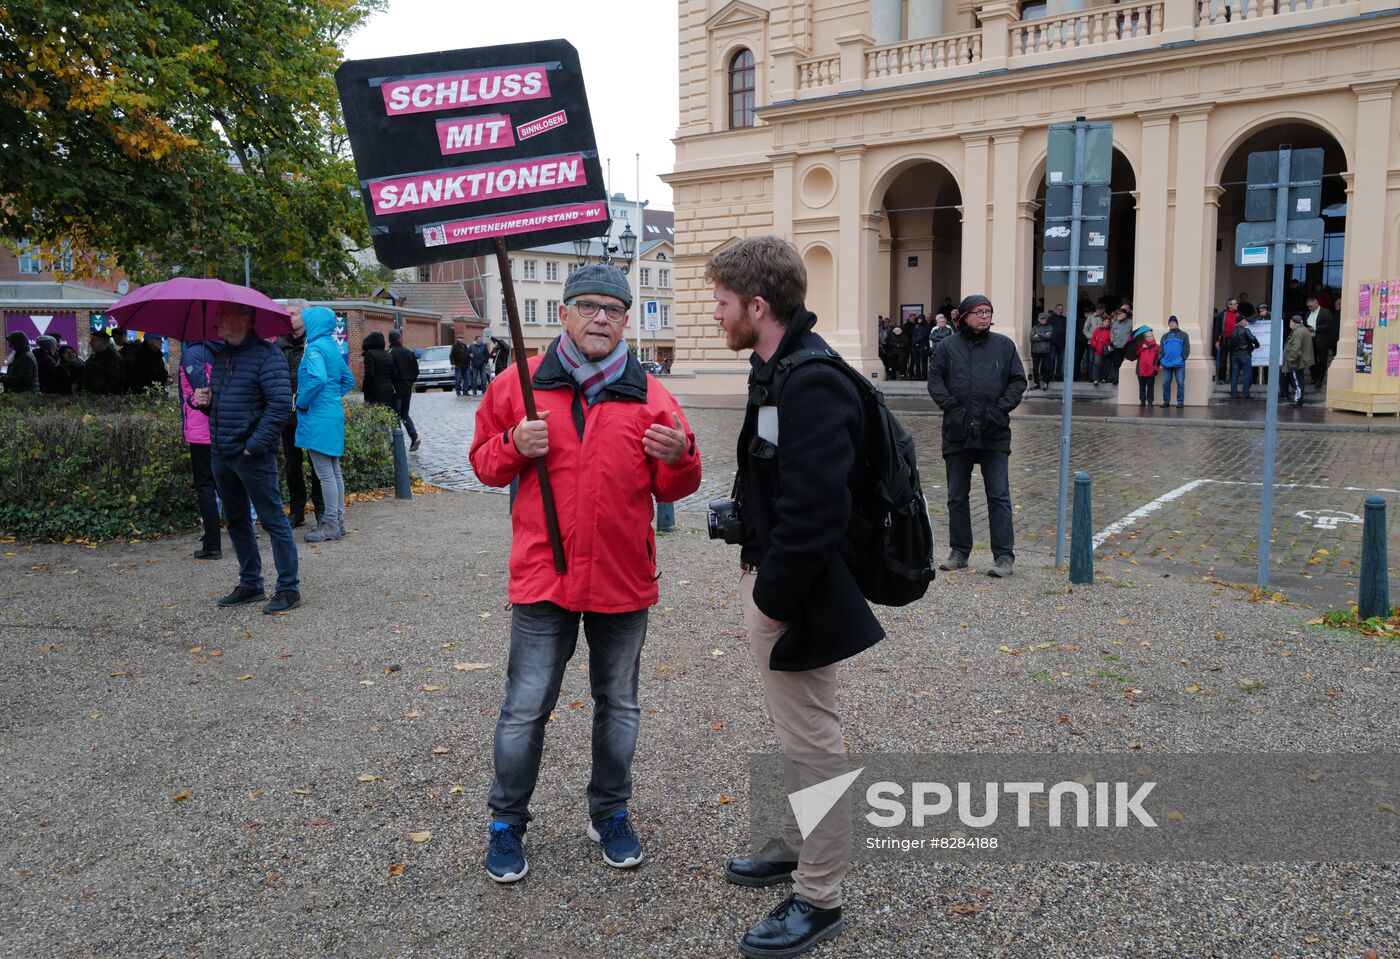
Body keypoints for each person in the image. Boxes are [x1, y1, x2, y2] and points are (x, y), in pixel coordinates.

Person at [468, 263, 701, 886]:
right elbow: (485, 465)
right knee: (525, 707)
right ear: (566, 313)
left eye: (614, 310)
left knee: (618, 704)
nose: (602, 317)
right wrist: (515, 443)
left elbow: (676, 479)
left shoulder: (650, 393)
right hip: (544, 575)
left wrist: (683, 459)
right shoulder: (517, 385)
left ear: (627, 320)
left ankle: (610, 811)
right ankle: (507, 822)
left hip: (623, 576)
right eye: (590, 306)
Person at [708, 236, 881, 958]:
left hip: (798, 593)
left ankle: (819, 895)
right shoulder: (774, 369)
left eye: (722, 302)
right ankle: (800, 844)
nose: (715, 314)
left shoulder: (810, 380)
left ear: (758, 304)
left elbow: (816, 513)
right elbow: (779, 479)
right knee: (796, 734)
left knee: (813, 743)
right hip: (778, 577)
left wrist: (772, 600)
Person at [190, 302, 300, 615]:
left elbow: (280, 406)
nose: (216, 321)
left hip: (252, 456)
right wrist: (201, 401)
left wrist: (254, 446)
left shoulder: (268, 356)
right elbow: (224, 406)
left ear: (245, 317)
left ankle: (288, 588)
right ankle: (251, 582)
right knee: (237, 520)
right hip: (221, 453)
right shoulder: (223, 356)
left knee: (273, 520)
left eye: (223, 315)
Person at [928, 293, 1026, 577]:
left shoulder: (1004, 346)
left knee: (998, 495)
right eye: (979, 312)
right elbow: (935, 382)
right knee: (956, 495)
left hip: (993, 432)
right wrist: (953, 409)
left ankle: (1004, 556)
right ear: (964, 316)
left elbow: (1017, 381)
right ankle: (959, 551)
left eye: (988, 312)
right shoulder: (947, 347)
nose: (985, 316)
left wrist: (999, 410)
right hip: (957, 432)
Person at [296, 307, 357, 542]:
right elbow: (348, 380)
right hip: (332, 413)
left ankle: (330, 523)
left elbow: (318, 378)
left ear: (313, 323)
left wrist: (302, 403)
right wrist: (332, 397)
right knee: (334, 471)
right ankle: (338, 520)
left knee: (325, 474)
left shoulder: (314, 347)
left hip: (317, 417)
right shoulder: (332, 346)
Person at [275, 300, 324, 528]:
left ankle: (321, 509)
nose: (291, 317)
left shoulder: (314, 343)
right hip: (288, 413)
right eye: (288, 314)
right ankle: (297, 510)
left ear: (305, 317)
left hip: (311, 411)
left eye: (294, 313)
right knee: (292, 464)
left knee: (317, 463)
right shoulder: (278, 345)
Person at [179, 340, 224, 560]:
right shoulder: (225, 352)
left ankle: (212, 544)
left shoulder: (193, 354)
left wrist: (189, 398)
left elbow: (202, 395)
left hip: (200, 431)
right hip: (222, 427)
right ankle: (240, 532)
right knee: (225, 484)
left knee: (205, 486)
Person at [387, 330, 421, 452]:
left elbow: (389, 371)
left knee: (395, 415)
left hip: (395, 387)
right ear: (400, 339)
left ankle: (398, 443)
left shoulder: (390, 353)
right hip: (408, 386)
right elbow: (416, 370)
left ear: (389, 340)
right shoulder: (409, 352)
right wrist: (410, 381)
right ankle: (414, 436)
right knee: (405, 414)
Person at [1305, 295, 1338, 387]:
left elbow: (1329, 325)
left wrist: (1315, 328)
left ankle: (1320, 379)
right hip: (1310, 340)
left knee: (1322, 361)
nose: (1309, 308)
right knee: (1311, 360)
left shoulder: (1325, 312)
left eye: (1310, 306)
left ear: (1316, 303)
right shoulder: (1308, 312)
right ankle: (1314, 378)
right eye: (1308, 306)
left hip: (1322, 340)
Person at [1283, 314, 1316, 407]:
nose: (1289, 323)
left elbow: (1296, 349)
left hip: (1296, 362)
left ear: (1294, 323)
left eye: (1290, 321)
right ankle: (1298, 399)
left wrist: (1290, 360)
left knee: (1297, 381)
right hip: (1300, 361)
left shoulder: (1297, 332)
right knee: (1298, 380)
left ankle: (1298, 401)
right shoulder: (1303, 330)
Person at [82, 330, 126, 395]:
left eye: (93, 340)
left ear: (101, 341)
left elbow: (115, 381)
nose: (90, 343)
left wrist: (102, 393)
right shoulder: (95, 356)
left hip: (103, 399)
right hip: (92, 396)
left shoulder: (113, 357)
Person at [1159, 315, 1190, 408]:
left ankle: (1180, 402)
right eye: (1170, 322)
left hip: (1179, 364)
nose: (1171, 323)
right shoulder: (1164, 336)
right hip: (1167, 364)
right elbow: (1161, 350)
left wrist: (1181, 359)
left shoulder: (1184, 335)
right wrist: (1162, 360)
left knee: (1180, 383)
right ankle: (1166, 401)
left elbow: (1186, 349)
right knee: (1165, 383)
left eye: (1173, 322)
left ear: (1177, 323)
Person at [360, 331, 396, 409]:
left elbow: (369, 374)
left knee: (374, 414)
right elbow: (393, 373)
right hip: (388, 390)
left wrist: (365, 389)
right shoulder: (388, 354)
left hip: (375, 390)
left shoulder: (370, 354)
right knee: (386, 413)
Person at [1228, 315, 1261, 399]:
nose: (1246, 321)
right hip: (1245, 355)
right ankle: (1245, 394)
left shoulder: (1232, 332)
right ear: (1241, 321)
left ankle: (1234, 394)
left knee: (1234, 375)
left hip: (1235, 355)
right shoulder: (1246, 330)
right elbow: (1252, 338)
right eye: (1245, 320)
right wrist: (1257, 345)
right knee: (1247, 375)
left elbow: (1229, 345)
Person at [1214, 298, 1240, 384]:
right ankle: (1222, 379)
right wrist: (1216, 341)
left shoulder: (1239, 315)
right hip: (1224, 340)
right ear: (1229, 305)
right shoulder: (1222, 314)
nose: (1237, 305)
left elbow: (1247, 322)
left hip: (1235, 341)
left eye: (1236, 303)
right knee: (1222, 361)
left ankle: (1233, 379)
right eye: (1235, 304)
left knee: (1234, 361)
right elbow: (1216, 328)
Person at [1029, 312, 1055, 390]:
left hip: (1046, 350)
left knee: (1047, 367)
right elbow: (1031, 338)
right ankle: (1037, 383)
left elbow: (1049, 337)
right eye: (1042, 319)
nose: (1043, 320)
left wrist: (1038, 334)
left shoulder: (1050, 327)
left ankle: (1045, 383)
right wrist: (1044, 335)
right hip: (1035, 351)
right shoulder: (1034, 327)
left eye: (1045, 318)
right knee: (1035, 368)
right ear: (1038, 319)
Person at [1135, 330, 1161, 408]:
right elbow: (1136, 355)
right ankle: (1142, 401)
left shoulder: (1156, 346)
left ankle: (1150, 401)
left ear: (1153, 337)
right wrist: (1142, 348)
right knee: (1142, 386)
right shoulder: (1141, 346)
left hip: (1150, 370)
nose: (1149, 338)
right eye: (1147, 337)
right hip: (1141, 370)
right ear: (1145, 338)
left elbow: (1158, 358)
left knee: (1150, 387)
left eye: (1150, 336)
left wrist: (1155, 368)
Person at [1108, 308, 1132, 385]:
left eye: (1120, 313)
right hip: (1117, 347)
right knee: (1116, 363)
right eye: (1118, 314)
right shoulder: (1115, 324)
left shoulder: (1131, 322)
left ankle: (1126, 380)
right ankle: (1116, 378)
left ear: (1125, 314)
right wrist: (1112, 341)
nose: (1118, 315)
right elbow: (1111, 333)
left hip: (1126, 347)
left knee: (1126, 363)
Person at [1089, 315, 1113, 385]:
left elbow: (1112, 340)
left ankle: (1104, 378)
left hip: (1107, 351)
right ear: (1102, 322)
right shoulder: (1097, 329)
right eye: (1105, 322)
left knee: (1106, 365)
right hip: (1098, 351)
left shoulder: (1111, 330)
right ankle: (1096, 379)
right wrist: (1096, 346)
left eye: (1108, 322)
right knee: (1097, 364)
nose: (1106, 323)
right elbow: (1093, 338)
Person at [1049, 303, 1067, 381]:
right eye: (1059, 309)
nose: (1060, 311)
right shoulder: (1051, 318)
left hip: (1062, 343)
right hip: (1053, 343)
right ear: (1056, 309)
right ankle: (1050, 375)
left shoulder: (1065, 319)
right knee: (1051, 360)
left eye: (1062, 309)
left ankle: (1058, 375)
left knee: (1060, 360)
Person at [909, 315, 930, 381]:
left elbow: (924, 335)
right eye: (918, 319)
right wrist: (915, 342)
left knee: (923, 362)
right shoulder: (916, 326)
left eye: (920, 319)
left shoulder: (926, 326)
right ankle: (918, 376)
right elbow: (913, 335)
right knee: (916, 362)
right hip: (915, 346)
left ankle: (924, 376)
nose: (918, 320)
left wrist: (916, 341)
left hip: (923, 346)